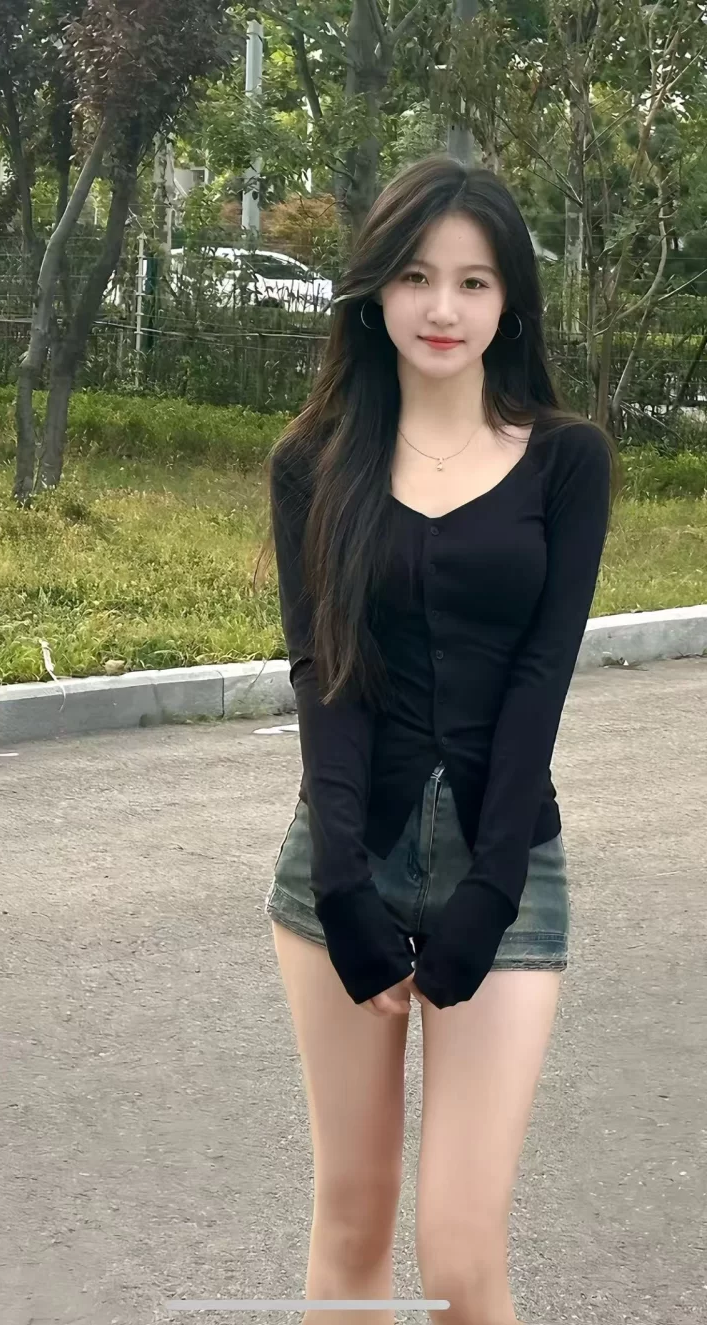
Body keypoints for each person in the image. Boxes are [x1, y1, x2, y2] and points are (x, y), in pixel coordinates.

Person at [256, 154, 621, 1325]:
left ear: (508, 298)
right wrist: (344, 885)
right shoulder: (312, 462)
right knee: (352, 1214)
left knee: (459, 1247)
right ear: (375, 290)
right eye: (415, 276)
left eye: (471, 280)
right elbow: (323, 677)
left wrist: (489, 888)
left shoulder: (565, 460)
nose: (441, 307)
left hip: (502, 869)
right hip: (341, 865)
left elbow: (538, 677)